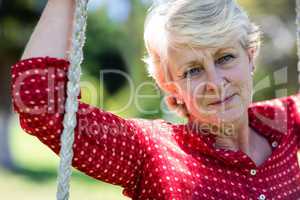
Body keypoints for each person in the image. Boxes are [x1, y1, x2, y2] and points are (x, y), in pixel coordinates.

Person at [10, 0, 300, 199]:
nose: (214, 83)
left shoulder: (283, 121)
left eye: (225, 58)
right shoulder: (152, 152)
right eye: (193, 70)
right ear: (168, 84)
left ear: (250, 56)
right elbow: (38, 103)